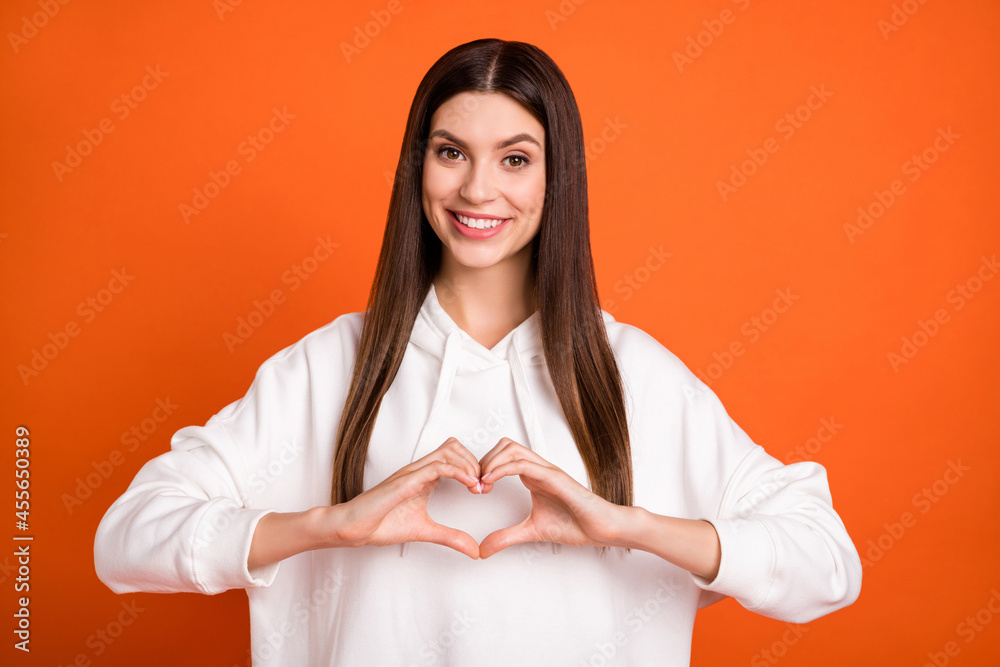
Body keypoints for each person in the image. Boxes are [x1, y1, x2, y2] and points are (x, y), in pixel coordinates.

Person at [94, 38, 862, 665]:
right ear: (416, 167)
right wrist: (329, 524)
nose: (478, 189)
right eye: (451, 152)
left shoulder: (634, 375)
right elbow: (125, 538)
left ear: (558, 179)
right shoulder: (332, 366)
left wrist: (627, 524)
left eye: (516, 158)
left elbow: (828, 561)